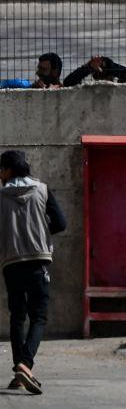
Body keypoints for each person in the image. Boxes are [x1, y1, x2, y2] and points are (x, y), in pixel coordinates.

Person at [1, 150, 65, 396]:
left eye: (1, 170)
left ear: (8, 170)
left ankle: (19, 372)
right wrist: (40, 228)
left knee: (17, 316)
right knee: (39, 316)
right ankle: (26, 364)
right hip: (37, 261)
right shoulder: (42, 190)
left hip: (11, 263)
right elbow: (60, 223)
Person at [61, 54, 126, 86]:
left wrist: (107, 64)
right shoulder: (91, 93)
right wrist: (89, 67)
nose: (103, 81)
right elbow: (68, 83)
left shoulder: (118, 91)